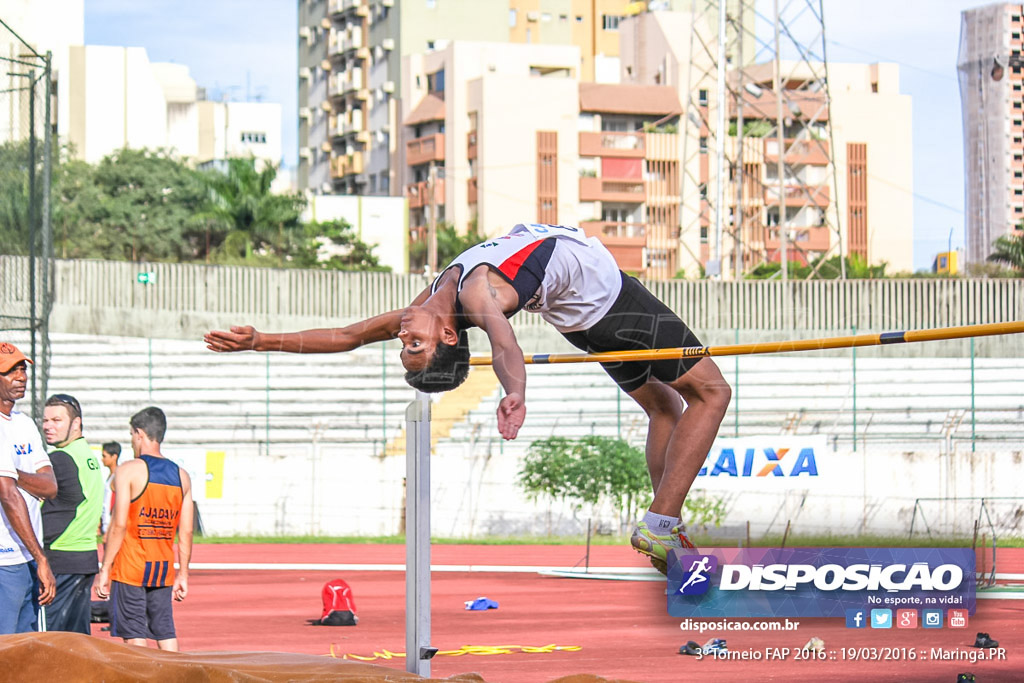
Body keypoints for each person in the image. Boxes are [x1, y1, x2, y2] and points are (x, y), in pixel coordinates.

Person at [206, 222, 731, 572]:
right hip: (610, 301)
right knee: (712, 392)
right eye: (414, 345)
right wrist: (515, 391)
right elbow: (505, 345)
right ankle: (662, 523)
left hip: (581, 314)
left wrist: (260, 341)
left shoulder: (425, 305)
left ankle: (667, 524)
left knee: (665, 406)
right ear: (450, 338)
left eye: (404, 345)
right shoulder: (478, 296)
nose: (404, 337)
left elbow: (347, 336)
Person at [96, 407, 193, 650]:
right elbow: (187, 532)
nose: (130, 441)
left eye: (131, 434)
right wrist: (183, 574)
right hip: (162, 567)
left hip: (131, 567)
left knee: (134, 633)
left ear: (139, 434)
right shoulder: (182, 476)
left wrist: (105, 568)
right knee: (164, 630)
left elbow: (118, 525)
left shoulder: (127, 470)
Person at [0, 343, 57, 633]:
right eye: (10, 370)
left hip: (27, 558)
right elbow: (8, 496)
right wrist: (42, 557)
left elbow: (50, 486)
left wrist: (13, 474)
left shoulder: (24, 424)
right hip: (5, 561)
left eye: (22, 368)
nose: (20, 376)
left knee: (27, 657)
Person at [39, 393, 104, 634]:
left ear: (75, 424)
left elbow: (46, 511)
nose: (48, 426)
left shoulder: (59, 458)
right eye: (45, 420)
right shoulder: (88, 456)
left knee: (47, 641)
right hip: (83, 558)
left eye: (56, 420)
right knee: (77, 641)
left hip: (60, 559)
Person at [99, 441, 121, 539]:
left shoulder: (117, 477)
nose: (102, 459)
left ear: (114, 457)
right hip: (107, 526)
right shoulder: (111, 476)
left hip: (111, 528)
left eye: (104, 456)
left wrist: (110, 529)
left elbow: (118, 504)